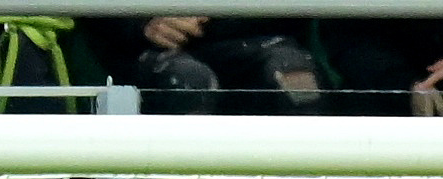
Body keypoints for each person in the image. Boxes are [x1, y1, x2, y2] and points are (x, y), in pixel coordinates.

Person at [96, 17, 327, 113]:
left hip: (254, 34)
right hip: (145, 48)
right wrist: (142, 22)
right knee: (189, 81)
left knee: (294, 76)